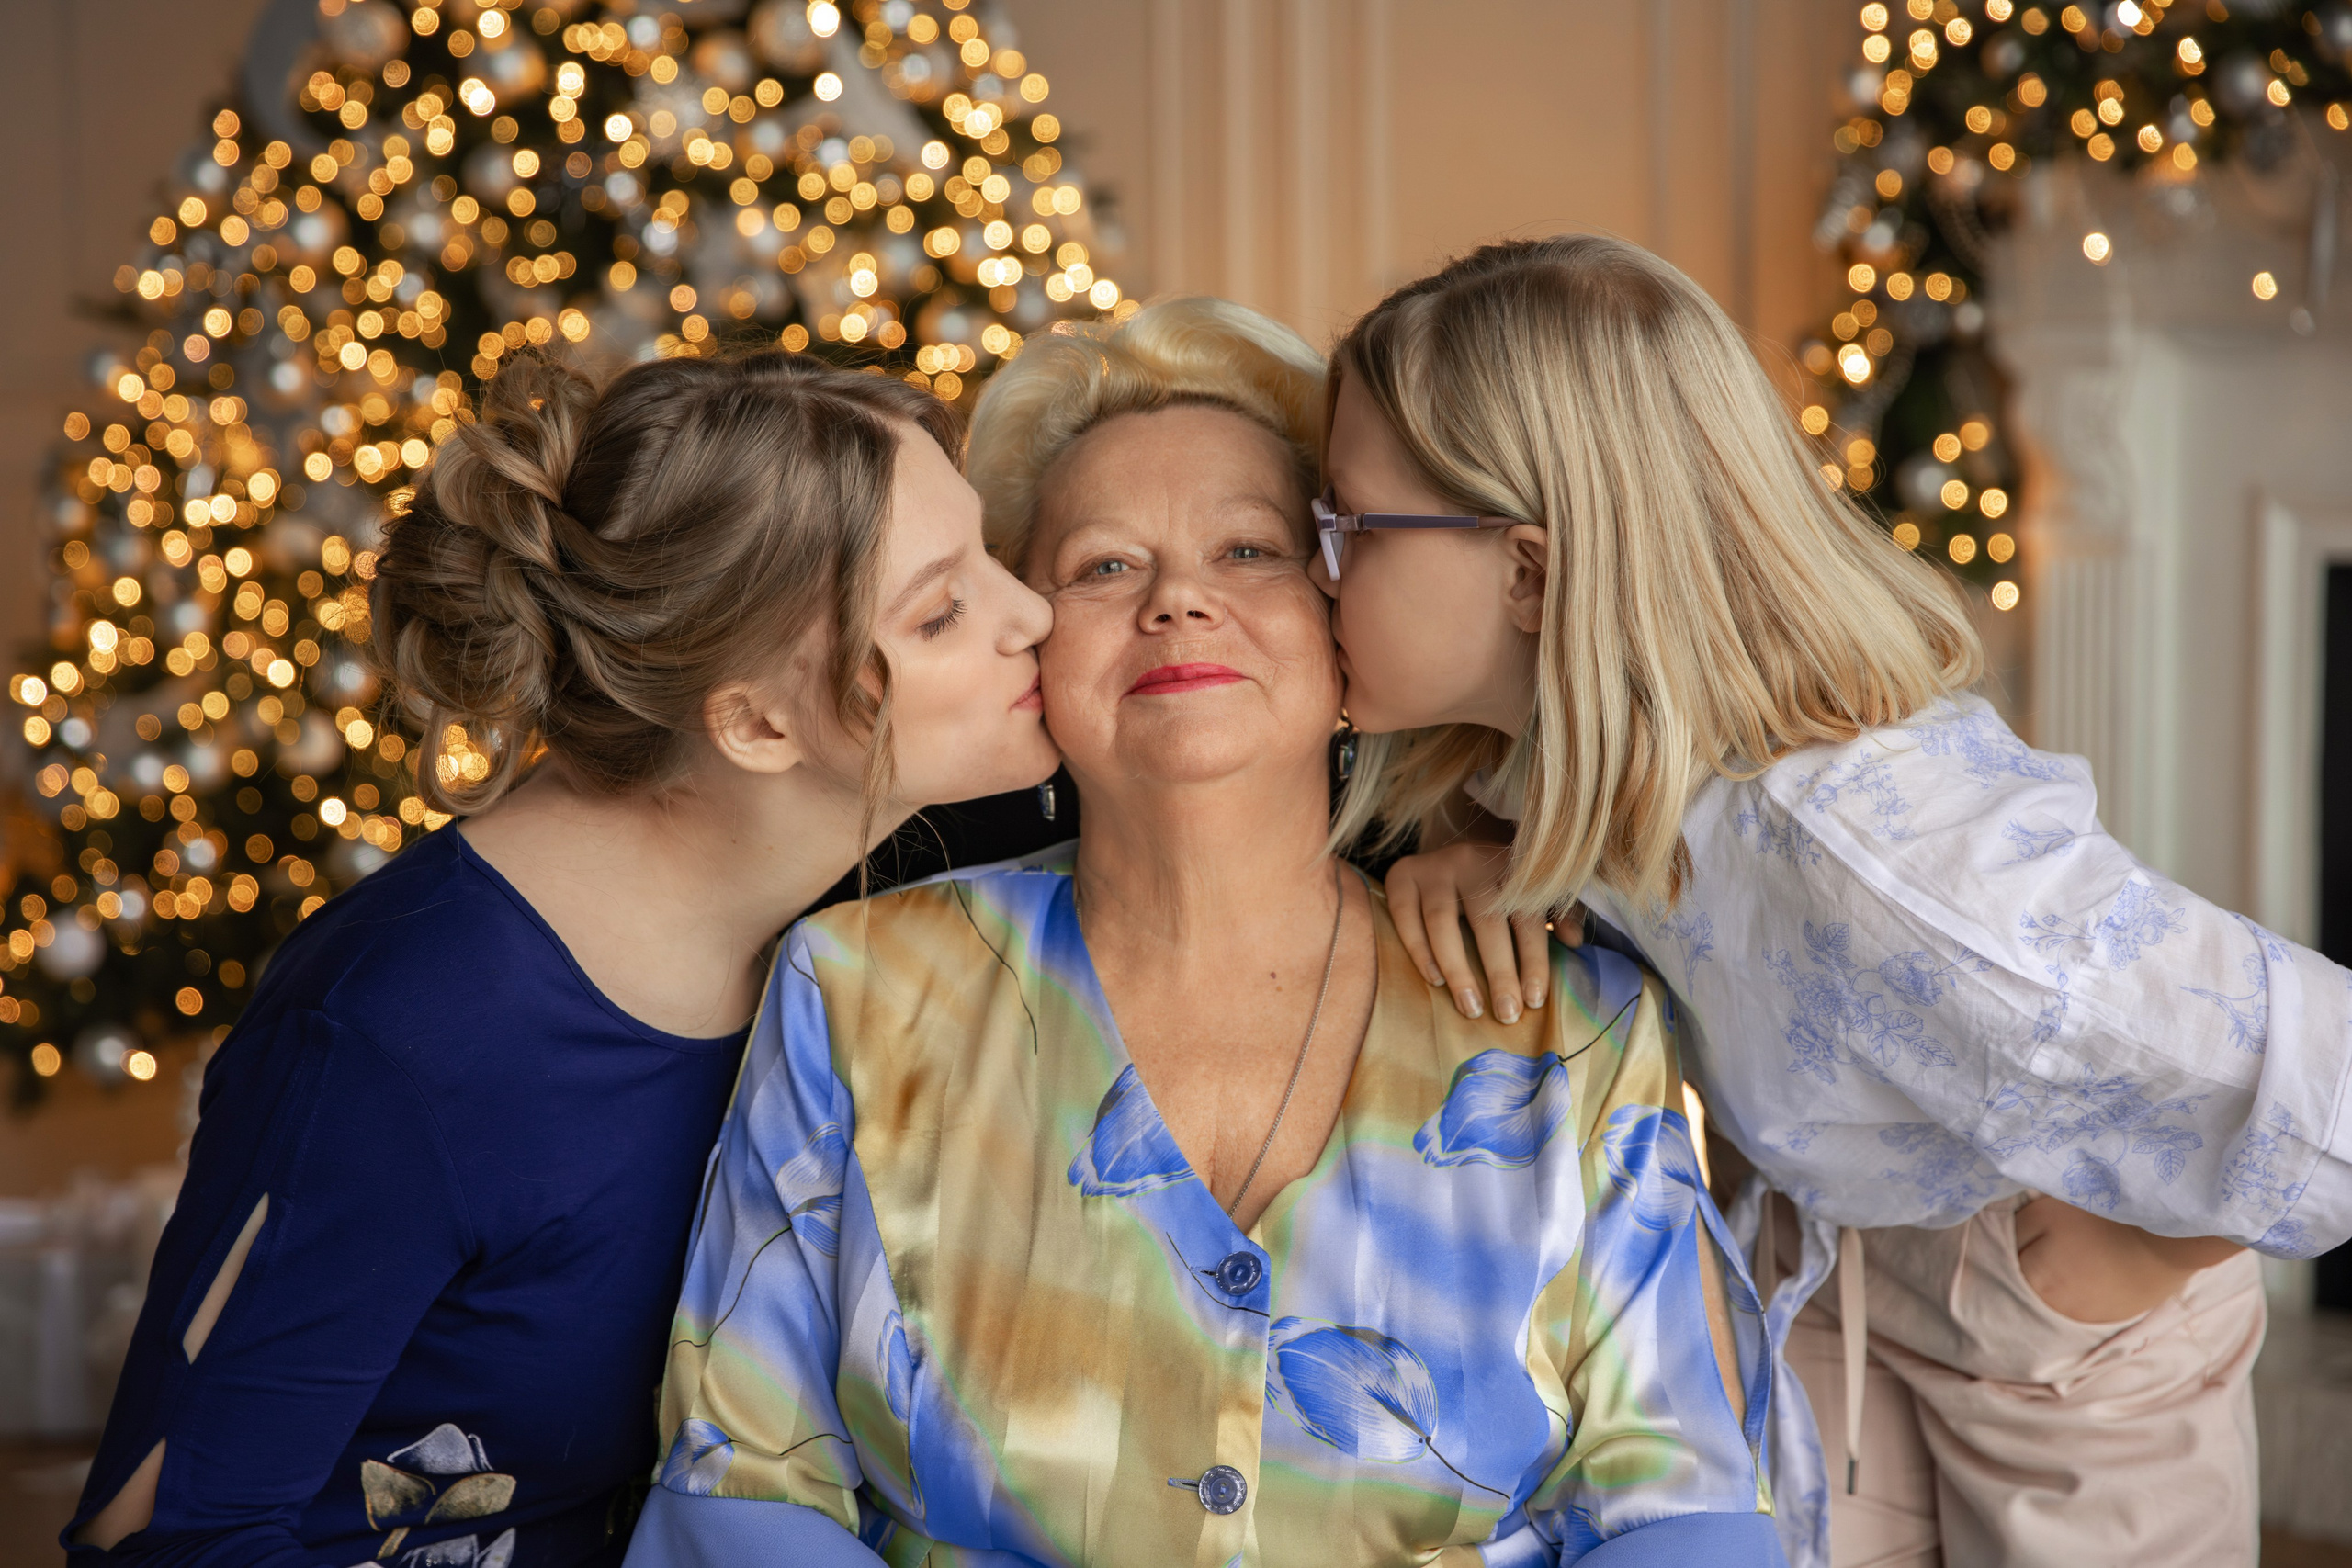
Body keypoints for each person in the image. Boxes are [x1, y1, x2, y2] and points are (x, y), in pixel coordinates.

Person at [624, 299, 1783, 1568]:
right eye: (1104, 568)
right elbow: (741, 1489)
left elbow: (1679, 1510)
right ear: (1030, 646)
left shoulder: (1574, 1020)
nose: (1179, 601)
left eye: (1248, 551)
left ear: (1343, 621)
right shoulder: (852, 990)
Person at [1310, 232, 2352, 1567]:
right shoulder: (1568, 767)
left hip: (2061, 1330)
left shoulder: (1883, 867)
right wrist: (1520, 867)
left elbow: (2326, 1075)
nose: (1317, 567)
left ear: (1527, 572)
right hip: (1833, 1262)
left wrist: (2130, 1266)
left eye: (1349, 528)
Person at [65, 350, 1058, 1568]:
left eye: (990, 555)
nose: (1034, 615)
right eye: (943, 611)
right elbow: (165, 1539)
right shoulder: (400, 1033)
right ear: (754, 721)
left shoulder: (890, 901)